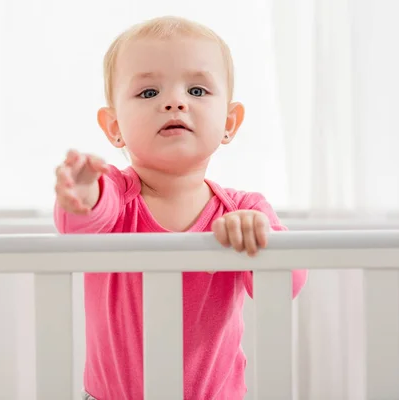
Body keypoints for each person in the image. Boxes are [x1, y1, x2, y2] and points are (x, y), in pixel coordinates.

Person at [53, 15, 307, 400]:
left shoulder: (241, 209)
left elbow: (285, 284)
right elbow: (82, 224)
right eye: (149, 93)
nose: (175, 101)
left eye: (198, 91)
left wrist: (259, 238)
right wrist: (82, 194)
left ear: (229, 122)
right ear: (113, 126)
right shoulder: (116, 196)